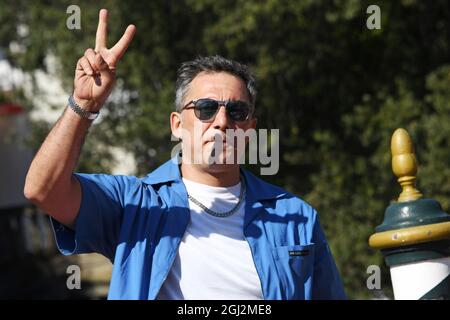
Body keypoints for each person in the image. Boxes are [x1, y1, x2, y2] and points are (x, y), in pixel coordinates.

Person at [24, 9, 346, 300]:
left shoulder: (297, 217)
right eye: (206, 109)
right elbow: (42, 189)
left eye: (236, 111)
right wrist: (84, 104)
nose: (222, 121)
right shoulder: (134, 205)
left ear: (249, 129)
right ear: (177, 125)